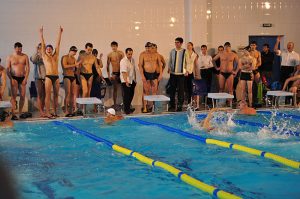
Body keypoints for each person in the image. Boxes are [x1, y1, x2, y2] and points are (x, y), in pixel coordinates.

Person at [39, 26, 63, 119]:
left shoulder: (55, 56)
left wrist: (60, 33)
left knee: (56, 95)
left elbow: (58, 44)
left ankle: (55, 111)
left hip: (56, 77)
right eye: (47, 48)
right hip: (48, 77)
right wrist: (41, 35)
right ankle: (48, 112)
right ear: (45, 50)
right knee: (48, 95)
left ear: (52, 50)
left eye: (50, 48)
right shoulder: (44, 56)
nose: (48, 49)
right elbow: (43, 44)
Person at [6, 42, 30, 120]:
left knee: (23, 96)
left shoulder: (25, 56)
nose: (19, 50)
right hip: (14, 78)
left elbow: (28, 68)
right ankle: (13, 114)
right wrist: (11, 79)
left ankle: (19, 113)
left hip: (22, 77)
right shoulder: (10, 57)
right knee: (14, 96)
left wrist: (26, 78)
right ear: (15, 48)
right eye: (18, 49)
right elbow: (7, 69)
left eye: (21, 49)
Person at [139, 42, 162, 113]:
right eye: (147, 48)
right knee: (146, 91)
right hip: (146, 74)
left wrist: (160, 74)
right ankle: (145, 107)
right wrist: (142, 76)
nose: (148, 49)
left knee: (154, 91)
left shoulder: (157, 55)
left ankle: (153, 106)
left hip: (154, 74)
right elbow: (140, 66)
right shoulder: (142, 55)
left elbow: (160, 65)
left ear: (152, 47)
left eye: (149, 47)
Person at [61, 46, 81, 117]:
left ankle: (71, 111)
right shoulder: (64, 57)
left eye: (76, 52)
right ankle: (66, 110)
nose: (75, 53)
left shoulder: (74, 58)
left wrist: (78, 66)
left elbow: (76, 68)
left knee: (73, 94)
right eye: (74, 51)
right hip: (67, 77)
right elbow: (65, 66)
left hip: (73, 77)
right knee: (68, 94)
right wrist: (75, 65)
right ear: (70, 50)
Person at [168, 37, 187, 112]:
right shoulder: (172, 51)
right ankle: (172, 105)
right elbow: (170, 60)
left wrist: (186, 71)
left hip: (181, 74)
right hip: (173, 74)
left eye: (177, 42)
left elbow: (187, 62)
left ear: (181, 43)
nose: (176, 44)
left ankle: (179, 106)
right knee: (172, 90)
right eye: (175, 42)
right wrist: (169, 68)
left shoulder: (185, 52)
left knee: (181, 90)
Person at [106, 41, 124, 108]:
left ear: (117, 46)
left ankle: (124, 103)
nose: (114, 47)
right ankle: (115, 104)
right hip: (114, 73)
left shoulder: (121, 54)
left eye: (115, 46)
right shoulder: (109, 55)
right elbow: (107, 66)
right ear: (111, 47)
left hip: (121, 73)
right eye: (112, 46)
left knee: (123, 89)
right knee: (115, 89)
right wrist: (108, 75)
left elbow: (124, 64)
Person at [30, 43, 46, 117]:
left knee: (45, 95)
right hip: (38, 77)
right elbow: (32, 59)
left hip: (46, 77)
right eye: (40, 47)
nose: (41, 49)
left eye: (42, 47)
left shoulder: (46, 55)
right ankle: (41, 111)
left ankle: (43, 109)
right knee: (39, 94)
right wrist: (36, 51)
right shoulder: (36, 56)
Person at [120, 48, 137, 114]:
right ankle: (126, 110)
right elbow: (124, 72)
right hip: (125, 81)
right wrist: (126, 81)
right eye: (129, 54)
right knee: (126, 95)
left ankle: (128, 107)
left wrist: (135, 79)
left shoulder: (132, 60)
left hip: (132, 80)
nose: (130, 55)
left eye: (131, 54)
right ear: (126, 53)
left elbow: (134, 70)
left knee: (131, 95)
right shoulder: (123, 61)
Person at [185, 42, 199, 106]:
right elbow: (183, 63)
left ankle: (189, 101)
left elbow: (196, 65)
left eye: (189, 45)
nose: (188, 46)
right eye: (187, 45)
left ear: (192, 46)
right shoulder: (184, 53)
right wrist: (185, 71)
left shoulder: (195, 54)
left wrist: (196, 75)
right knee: (185, 88)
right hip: (184, 73)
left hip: (191, 73)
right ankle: (185, 101)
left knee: (190, 87)